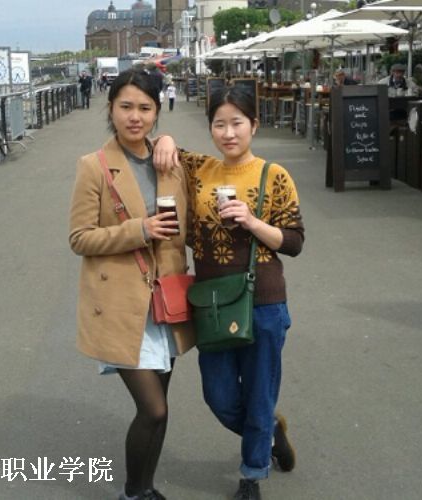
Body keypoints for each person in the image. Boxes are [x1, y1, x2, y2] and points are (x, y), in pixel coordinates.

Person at [153, 87, 305, 500]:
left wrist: (252, 221)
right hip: (212, 301)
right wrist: (165, 138)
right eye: (219, 124)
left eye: (237, 123)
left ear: (254, 125)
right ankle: (270, 433)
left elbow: (294, 241)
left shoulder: (273, 175)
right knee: (218, 396)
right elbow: (159, 147)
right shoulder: (200, 169)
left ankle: (251, 475)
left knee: (259, 392)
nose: (228, 133)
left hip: (264, 301)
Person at [68, 68, 194, 500]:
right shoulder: (94, 166)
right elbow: (79, 238)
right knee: (152, 409)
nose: (134, 117)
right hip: (122, 304)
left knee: (161, 408)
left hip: (166, 300)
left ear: (157, 112)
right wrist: (140, 229)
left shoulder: (171, 161)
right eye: (126, 107)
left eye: (145, 108)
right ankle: (132, 492)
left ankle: (145, 489)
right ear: (111, 109)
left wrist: (170, 141)